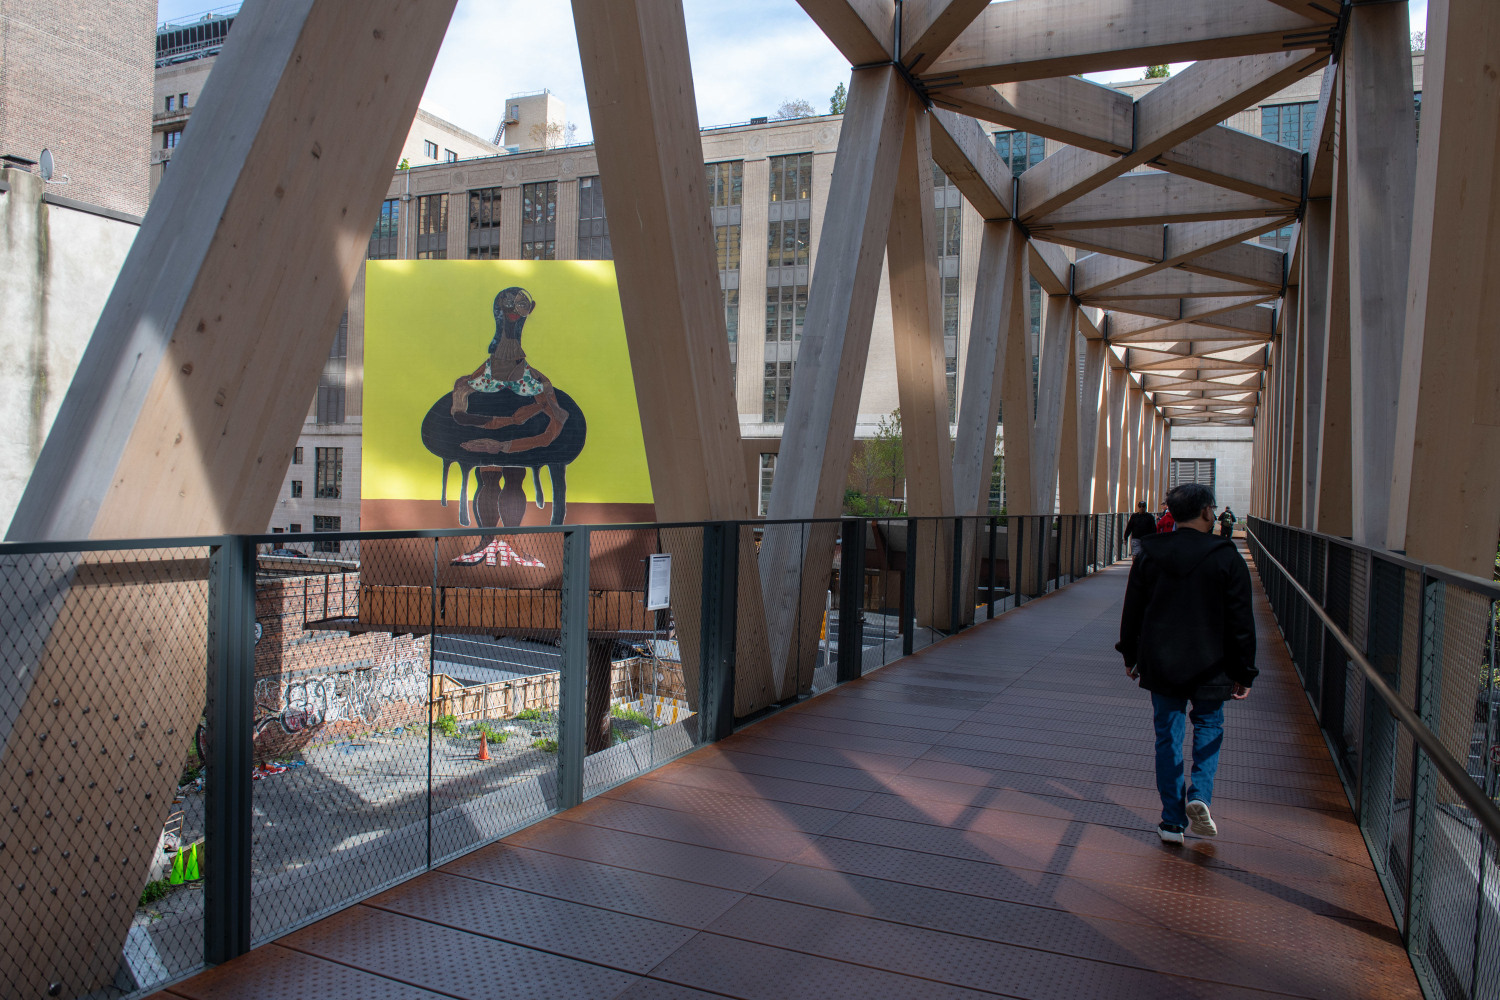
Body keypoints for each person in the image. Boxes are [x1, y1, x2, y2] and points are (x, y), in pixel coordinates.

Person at [1116, 482, 1257, 844]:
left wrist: (1131, 655)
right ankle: (1200, 797)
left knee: (1168, 737)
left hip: (1161, 662)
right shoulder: (1227, 556)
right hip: (1214, 663)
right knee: (1209, 727)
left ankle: (1172, 822)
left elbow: (1133, 609)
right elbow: (1242, 621)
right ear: (1208, 512)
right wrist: (1245, 671)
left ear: (1172, 514)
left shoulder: (1150, 554)